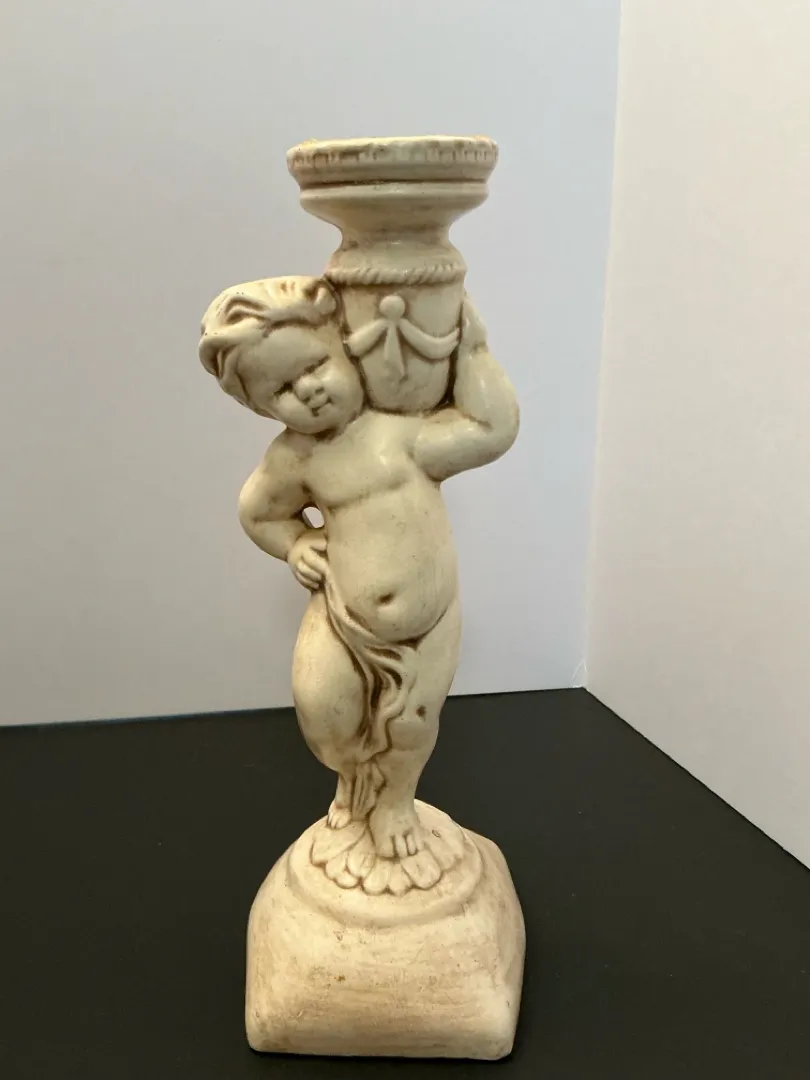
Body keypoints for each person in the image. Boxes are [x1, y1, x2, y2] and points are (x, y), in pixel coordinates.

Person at [199, 276, 519, 862]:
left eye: (315, 366)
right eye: (282, 389)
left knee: (412, 721)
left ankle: (394, 800)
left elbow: (490, 430)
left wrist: (473, 351)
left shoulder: (400, 433)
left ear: (344, 346)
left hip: (426, 623)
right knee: (324, 713)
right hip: (344, 616)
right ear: (261, 407)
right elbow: (258, 513)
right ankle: (354, 776)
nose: (308, 391)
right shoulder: (296, 457)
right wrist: (295, 544)